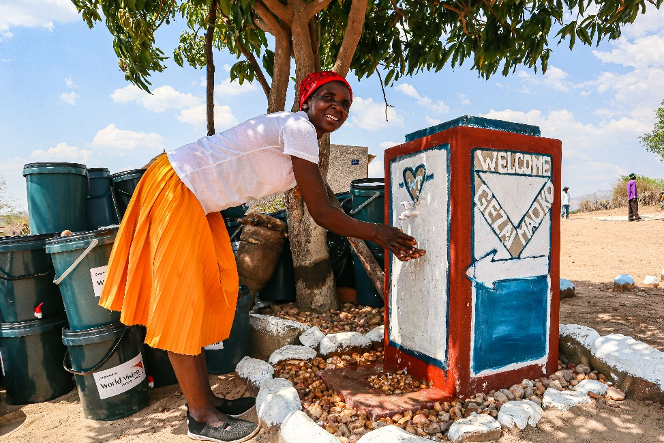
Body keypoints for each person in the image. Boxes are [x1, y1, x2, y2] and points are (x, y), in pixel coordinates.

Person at [98, 71, 425, 443]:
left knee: (204, 293)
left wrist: (376, 232)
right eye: (329, 97)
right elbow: (321, 212)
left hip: (194, 199)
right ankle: (200, 416)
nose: (338, 106)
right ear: (307, 102)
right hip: (179, 188)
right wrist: (378, 232)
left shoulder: (304, 142)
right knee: (182, 303)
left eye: (345, 103)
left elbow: (328, 200)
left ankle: (205, 399)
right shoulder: (298, 127)